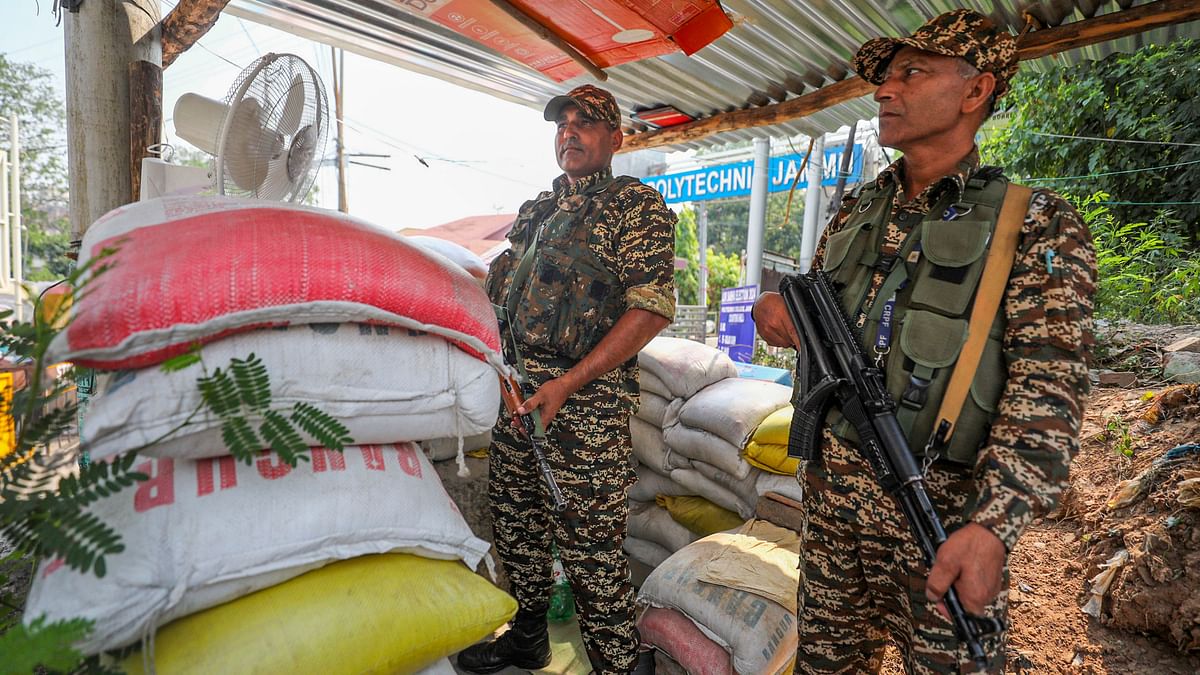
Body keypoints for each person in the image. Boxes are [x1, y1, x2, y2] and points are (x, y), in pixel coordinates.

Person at [753, 9, 1096, 673]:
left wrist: (994, 523)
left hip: (937, 519)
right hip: (832, 513)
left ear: (976, 92)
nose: (886, 89)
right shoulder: (857, 209)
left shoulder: (1036, 224)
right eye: (885, 77)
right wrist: (783, 318)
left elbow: (1048, 391)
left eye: (912, 73)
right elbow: (829, 328)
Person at [457, 84, 676, 675]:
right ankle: (527, 637)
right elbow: (504, 287)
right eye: (562, 124)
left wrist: (570, 383)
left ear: (615, 138)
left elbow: (651, 307)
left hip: (585, 406)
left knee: (589, 549)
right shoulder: (540, 208)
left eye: (585, 124)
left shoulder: (636, 206)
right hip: (518, 392)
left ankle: (618, 664)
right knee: (517, 523)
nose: (569, 133)